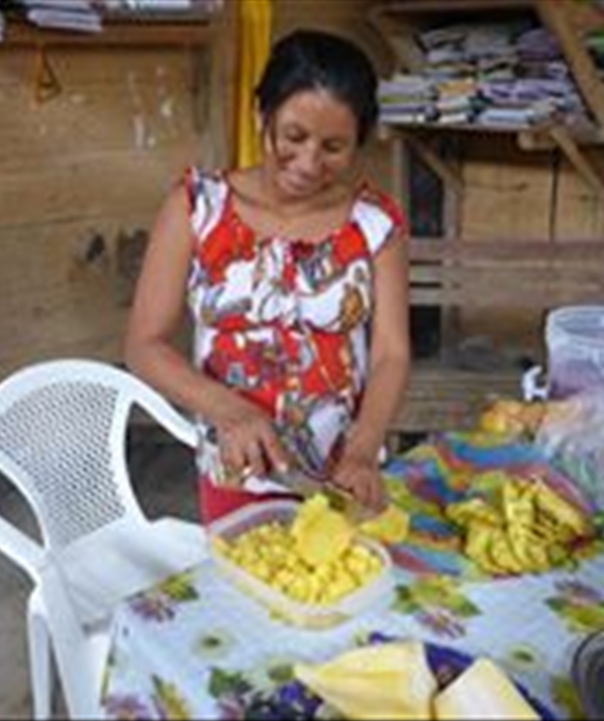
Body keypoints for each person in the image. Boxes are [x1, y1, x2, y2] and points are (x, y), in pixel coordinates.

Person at [125, 29, 410, 523]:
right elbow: (144, 346)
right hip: (237, 467)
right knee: (245, 592)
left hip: (342, 474)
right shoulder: (198, 208)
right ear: (262, 117)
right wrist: (230, 410)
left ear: (359, 144)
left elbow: (391, 353)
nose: (308, 163)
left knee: (343, 592)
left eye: (334, 147)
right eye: (294, 137)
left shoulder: (374, 224)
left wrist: (363, 450)